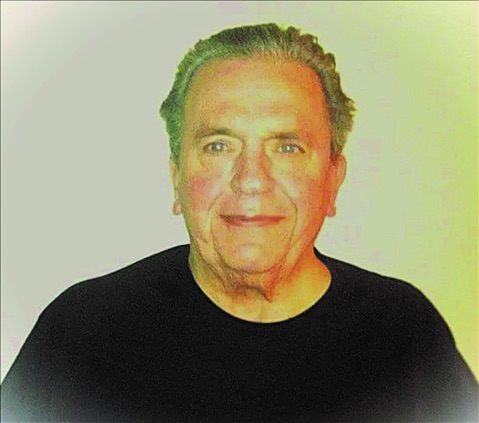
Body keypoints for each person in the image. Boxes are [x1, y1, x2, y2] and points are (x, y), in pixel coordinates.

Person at [1, 23, 477, 423]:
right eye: (219, 146)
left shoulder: (405, 339)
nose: (251, 179)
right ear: (176, 178)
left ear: (333, 180)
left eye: (287, 147)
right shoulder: (81, 336)